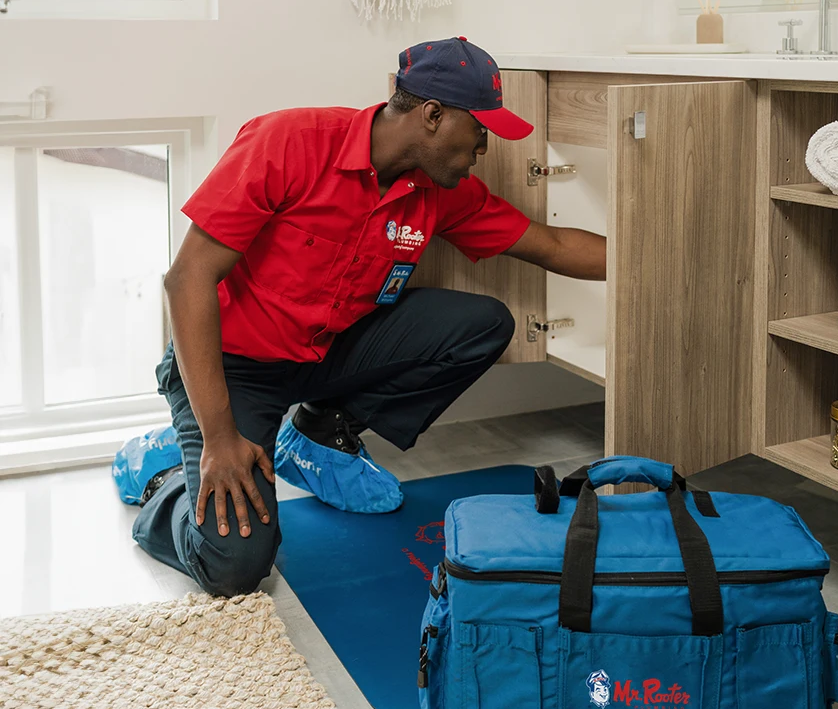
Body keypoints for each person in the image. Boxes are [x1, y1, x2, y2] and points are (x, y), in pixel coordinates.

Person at [129, 37, 605, 597]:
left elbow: (548, 245)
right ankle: (164, 479)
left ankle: (317, 432)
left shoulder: (438, 190)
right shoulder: (288, 142)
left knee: (483, 325)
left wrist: (656, 259)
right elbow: (185, 280)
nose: (484, 145)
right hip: (235, 367)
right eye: (480, 128)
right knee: (233, 566)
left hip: (327, 352)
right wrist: (219, 437)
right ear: (433, 115)